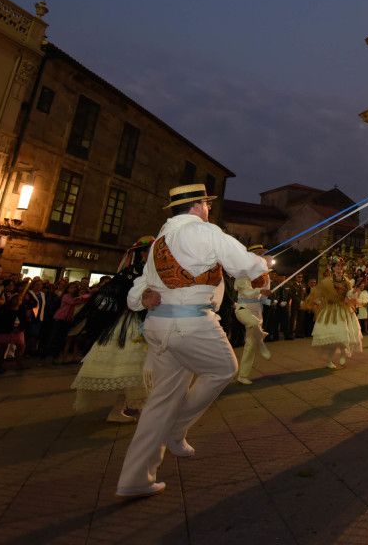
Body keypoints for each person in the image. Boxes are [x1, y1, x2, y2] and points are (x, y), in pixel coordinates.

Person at [116, 184, 272, 498]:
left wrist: (139, 299)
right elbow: (243, 262)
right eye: (206, 204)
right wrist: (261, 267)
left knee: (160, 402)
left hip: (160, 326)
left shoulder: (160, 240)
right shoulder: (203, 232)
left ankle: (135, 479)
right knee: (224, 368)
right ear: (198, 205)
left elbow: (138, 288)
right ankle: (177, 428)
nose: (209, 209)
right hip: (191, 324)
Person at [72, 237, 153, 422]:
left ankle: (121, 411)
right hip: (132, 324)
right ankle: (130, 412)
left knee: (136, 373)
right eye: (150, 250)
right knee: (136, 370)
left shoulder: (138, 271)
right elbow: (114, 296)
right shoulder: (135, 272)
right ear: (142, 253)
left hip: (141, 321)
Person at [305, 262, 363, 368]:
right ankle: (329, 361)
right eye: (337, 267)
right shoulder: (327, 281)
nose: (339, 269)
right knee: (333, 338)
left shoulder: (347, 281)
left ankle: (343, 354)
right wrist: (317, 300)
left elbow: (349, 296)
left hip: (343, 310)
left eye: (341, 267)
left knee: (344, 334)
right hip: (330, 310)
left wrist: (354, 292)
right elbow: (320, 293)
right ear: (333, 268)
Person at [233, 248, 273, 385]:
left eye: (261, 254)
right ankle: (261, 341)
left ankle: (242, 375)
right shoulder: (243, 274)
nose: (260, 257)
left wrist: (267, 298)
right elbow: (248, 293)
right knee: (254, 324)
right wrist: (261, 290)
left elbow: (261, 298)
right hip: (243, 308)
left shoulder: (265, 275)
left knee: (250, 344)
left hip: (257, 310)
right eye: (257, 254)